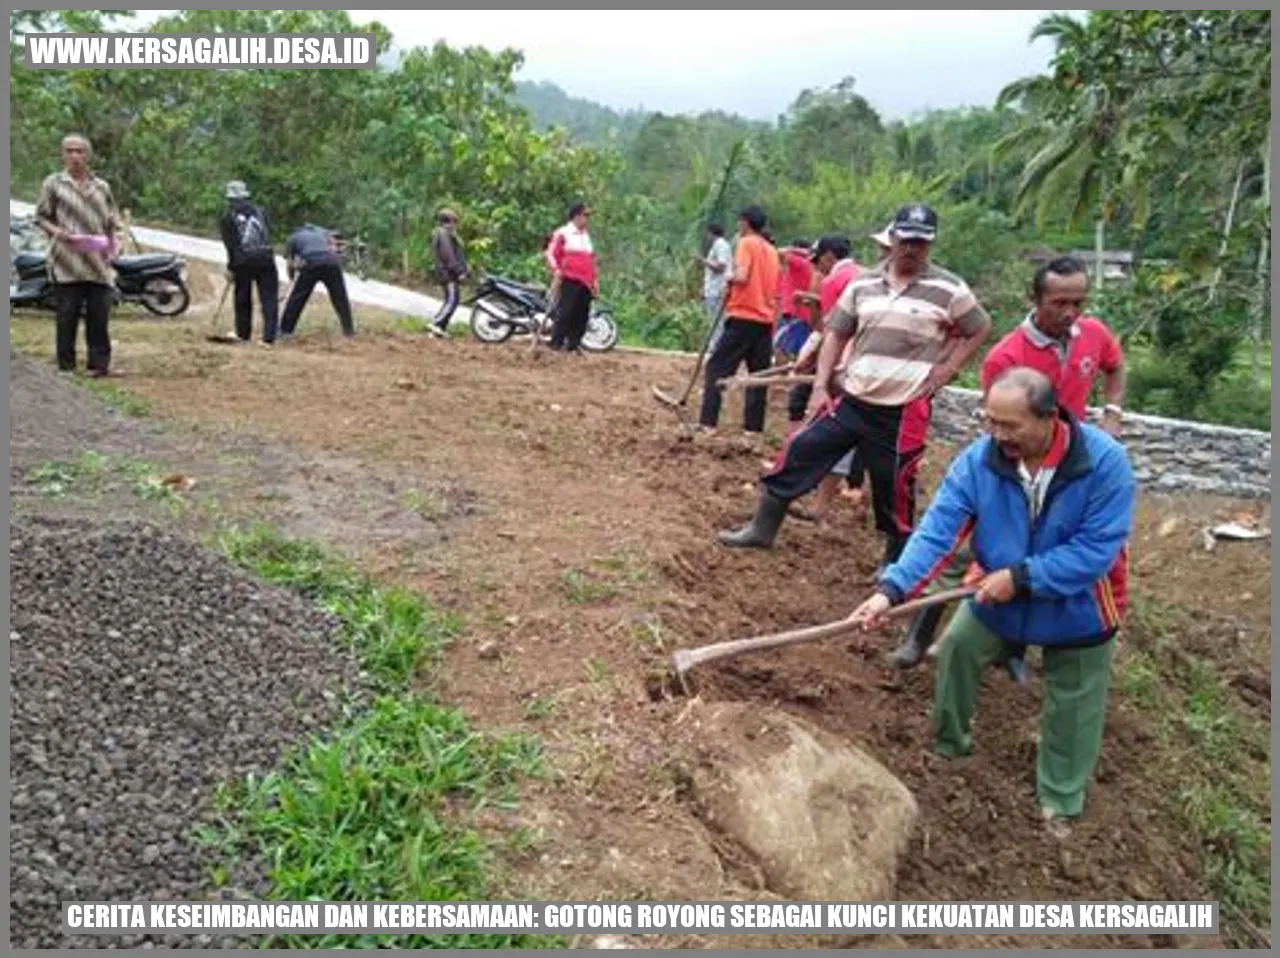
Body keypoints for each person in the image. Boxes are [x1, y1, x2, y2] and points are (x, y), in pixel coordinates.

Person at [847, 367, 1135, 834]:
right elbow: (938, 532)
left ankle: (1060, 799)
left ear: (1049, 418)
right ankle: (949, 748)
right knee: (959, 649)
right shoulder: (979, 462)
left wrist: (1022, 576)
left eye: (1010, 426)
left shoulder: (1104, 464)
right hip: (996, 593)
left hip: (1080, 604)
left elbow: (1095, 552)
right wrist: (891, 590)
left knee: (1075, 702)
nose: (998, 436)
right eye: (991, 423)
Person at [719, 203, 992, 571]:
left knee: (895, 486)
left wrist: (948, 367)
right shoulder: (863, 284)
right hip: (852, 395)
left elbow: (979, 327)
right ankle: (761, 529)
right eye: (906, 239)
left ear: (930, 244)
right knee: (799, 450)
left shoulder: (948, 288)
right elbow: (836, 334)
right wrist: (821, 385)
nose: (911, 248)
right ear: (892, 238)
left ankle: (895, 563)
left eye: (920, 242)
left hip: (904, 406)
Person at [889, 254, 1129, 670]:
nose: (1070, 312)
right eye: (1059, 302)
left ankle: (1014, 642)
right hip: (1016, 459)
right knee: (968, 554)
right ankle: (922, 634)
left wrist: (1112, 413)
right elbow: (996, 432)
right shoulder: (1006, 356)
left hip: (1068, 464)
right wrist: (891, 590)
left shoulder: (1092, 334)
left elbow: (1116, 365)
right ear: (1036, 299)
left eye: (1078, 302)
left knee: (1042, 554)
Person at [35, 133, 122, 377]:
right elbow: (41, 216)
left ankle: (99, 365)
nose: (75, 156)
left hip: (98, 262)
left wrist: (114, 246)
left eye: (80, 151)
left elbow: (111, 221)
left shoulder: (102, 186)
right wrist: (60, 234)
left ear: (88, 155)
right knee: (67, 316)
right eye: (69, 151)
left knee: (99, 316)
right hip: (66, 261)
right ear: (62, 154)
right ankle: (66, 366)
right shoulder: (53, 184)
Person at [697, 204, 781, 443]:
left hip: (743, 316)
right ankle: (753, 429)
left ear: (745, 222)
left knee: (716, 368)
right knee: (758, 376)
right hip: (764, 321)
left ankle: (707, 424)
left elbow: (742, 276)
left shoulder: (747, 243)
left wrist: (729, 278)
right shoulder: (772, 250)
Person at [217, 180, 279, 346]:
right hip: (266, 257)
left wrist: (230, 267)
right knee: (269, 298)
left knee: (242, 298)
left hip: (243, 261)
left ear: (230, 199)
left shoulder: (227, 217)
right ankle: (269, 337)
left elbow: (231, 246)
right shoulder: (261, 212)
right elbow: (269, 232)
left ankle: (243, 334)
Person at [278, 223, 356, 340]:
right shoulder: (320, 234)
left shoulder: (293, 238)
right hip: (332, 262)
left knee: (298, 298)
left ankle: (285, 330)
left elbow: (290, 263)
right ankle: (349, 331)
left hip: (311, 262)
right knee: (340, 298)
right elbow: (332, 248)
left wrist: (292, 278)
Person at [545, 202, 598, 354]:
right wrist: (556, 270)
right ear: (576, 216)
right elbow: (550, 253)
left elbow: (590, 259)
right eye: (585, 215)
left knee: (582, 313)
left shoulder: (586, 236)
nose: (587, 219)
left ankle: (573, 344)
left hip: (585, 281)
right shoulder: (563, 233)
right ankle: (556, 344)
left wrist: (594, 280)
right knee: (565, 312)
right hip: (569, 278)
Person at [772, 237, 815, 362]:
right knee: (790, 348)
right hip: (799, 312)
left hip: (794, 312)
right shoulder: (809, 264)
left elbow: (780, 252)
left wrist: (797, 250)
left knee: (785, 349)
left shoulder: (798, 262)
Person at [427, 208, 468, 338]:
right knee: (452, 299)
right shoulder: (443, 234)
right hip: (447, 273)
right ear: (447, 222)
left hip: (447, 272)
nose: (455, 225)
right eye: (454, 222)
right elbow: (448, 255)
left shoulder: (446, 234)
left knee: (451, 299)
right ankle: (437, 322)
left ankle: (440, 328)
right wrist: (458, 271)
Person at [693, 221, 733, 350]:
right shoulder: (719, 245)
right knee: (716, 320)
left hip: (718, 289)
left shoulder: (720, 245)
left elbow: (721, 266)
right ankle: (716, 347)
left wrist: (702, 260)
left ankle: (717, 347)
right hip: (714, 288)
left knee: (717, 321)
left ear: (711, 232)